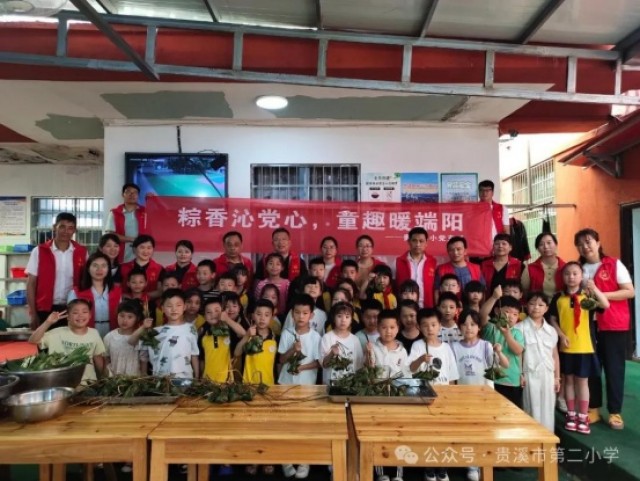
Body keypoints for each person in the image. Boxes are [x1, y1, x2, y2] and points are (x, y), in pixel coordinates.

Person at [574, 228, 635, 430]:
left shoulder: (614, 264)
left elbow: (630, 291)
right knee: (592, 367)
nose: (585, 246)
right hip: (587, 325)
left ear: (598, 243)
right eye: (580, 244)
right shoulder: (578, 269)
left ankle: (615, 412)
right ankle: (594, 408)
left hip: (613, 324)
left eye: (588, 241)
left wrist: (600, 295)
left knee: (614, 368)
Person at [549, 261, 609, 435]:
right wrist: (561, 335)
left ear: (582, 276)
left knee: (582, 382)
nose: (571, 277)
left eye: (575, 273)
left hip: (585, 347)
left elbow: (605, 305)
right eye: (567, 274)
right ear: (562, 277)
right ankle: (571, 414)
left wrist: (594, 288)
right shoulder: (558, 298)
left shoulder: (588, 296)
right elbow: (552, 319)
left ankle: (583, 416)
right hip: (566, 348)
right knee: (568, 381)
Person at [451, 308, 505, 481]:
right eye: (464, 324)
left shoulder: (486, 346)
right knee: (468, 432)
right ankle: (472, 465)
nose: (469, 328)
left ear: (479, 327)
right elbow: (452, 375)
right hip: (463, 398)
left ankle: (485, 463)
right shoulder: (454, 347)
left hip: (484, 397)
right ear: (459, 327)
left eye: (473, 324)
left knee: (485, 431)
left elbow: (503, 365)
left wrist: (498, 351)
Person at [408, 308, 459, 481]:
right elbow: (411, 369)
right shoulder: (417, 346)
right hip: (424, 395)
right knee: (427, 432)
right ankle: (429, 467)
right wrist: (420, 359)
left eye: (433, 325)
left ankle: (442, 468)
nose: (430, 329)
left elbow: (452, 376)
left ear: (439, 326)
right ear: (419, 327)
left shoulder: (446, 348)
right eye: (425, 325)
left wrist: (451, 397)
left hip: (444, 397)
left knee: (444, 433)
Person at [278, 294, 321, 480]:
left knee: (305, 426)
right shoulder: (287, 333)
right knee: (286, 425)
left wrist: (301, 367)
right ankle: (286, 460)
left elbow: (318, 363)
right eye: (297, 312)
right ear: (292, 314)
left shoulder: (316, 336)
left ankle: (304, 461)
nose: (301, 316)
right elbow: (281, 359)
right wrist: (292, 350)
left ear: (311, 315)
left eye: (305, 313)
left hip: (307, 386)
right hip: (286, 384)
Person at [366, 309, 409, 481]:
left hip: (397, 399)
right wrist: (368, 355)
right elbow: (369, 372)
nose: (388, 331)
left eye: (392, 327)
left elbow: (405, 376)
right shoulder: (372, 347)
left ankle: (398, 473)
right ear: (378, 328)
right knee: (378, 433)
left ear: (398, 328)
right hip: (377, 397)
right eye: (384, 327)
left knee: (398, 434)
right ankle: (381, 472)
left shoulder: (402, 351)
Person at [26, 212, 88, 329]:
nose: (66, 231)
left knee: (71, 340)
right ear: (54, 227)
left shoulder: (82, 252)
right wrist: (33, 314)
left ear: (74, 230)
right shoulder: (39, 251)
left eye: (70, 228)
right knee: (46, 340)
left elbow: (87, 281)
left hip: (72, 309)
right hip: (45, 309)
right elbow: (31, 284)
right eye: (62, 226)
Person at [29, 299, 105, 383]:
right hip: (60, 383)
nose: (80, 315)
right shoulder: (57, 333)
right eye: (75, 313)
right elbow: (33, 340)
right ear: (68, 317)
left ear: (90, 315)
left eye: (84, 312)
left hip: (88, 383)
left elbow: (98, 358)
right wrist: (48, 322)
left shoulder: (94, 333)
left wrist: (103, 380)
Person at [516, 292, 559, 433]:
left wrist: (557, 377)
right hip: (529, 375)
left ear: (546, 308)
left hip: (548, 375)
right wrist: (520, 374)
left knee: (548, 410)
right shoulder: (519, 328)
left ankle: (547, 441)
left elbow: (554, 355)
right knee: (531, 408)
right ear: (526, 306)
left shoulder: (551, 330)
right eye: (532, 304)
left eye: (541, 305)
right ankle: (532, 442)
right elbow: (518, 354)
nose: (536, 307)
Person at [137, 289, 199, 378]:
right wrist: (143, 374)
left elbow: (194, 354)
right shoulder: (155, 332)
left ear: (184, 307)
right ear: (162, 308)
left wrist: (197, 377)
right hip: (161, 377)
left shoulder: (191, 328)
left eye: (178, 305)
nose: (174, 309)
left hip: (185, 377)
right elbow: (144, 356)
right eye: (169, 306)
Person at [479, 289, 525, 408]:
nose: (511, 317)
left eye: (515, 314)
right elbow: (482, 315)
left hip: (511, 380)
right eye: (507, 312)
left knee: (511, 413)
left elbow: (518, 351)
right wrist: (494, 297)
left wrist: (507, 335)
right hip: (491, 380)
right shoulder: (490, 327)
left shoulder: (517, 333)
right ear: (497, 311)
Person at [68, 252, 122, 338]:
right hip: (85, 335)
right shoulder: (76, 292)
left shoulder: (117, 291)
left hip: (113, 334)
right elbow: (70, 319)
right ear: (88, 268)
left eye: (103, 266)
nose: (99, 269)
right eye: (95, 265)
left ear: (108, 269)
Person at [199, 297, 246, 383]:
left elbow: (243, 333)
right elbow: (201, 359)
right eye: (209, 312)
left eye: (217, 310)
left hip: (227, 382)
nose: (213, 314)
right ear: (204, 316)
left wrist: (227, 319)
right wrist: (201, 377)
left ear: (223, 312)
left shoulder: (228, 330)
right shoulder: (203, 335)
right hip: (208, 381)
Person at [235, 299, 278, 386]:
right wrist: (247, 336)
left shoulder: (275, 339)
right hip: (248, 385)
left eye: (266, 315)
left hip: (269, 385)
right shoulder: (249, 335)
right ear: (253, 316)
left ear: (272, 317)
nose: (262, 318)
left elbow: (277, 364)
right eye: (259, 314)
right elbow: (236, 353)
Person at [321, 302, 364, 384]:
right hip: (330, 384)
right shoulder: (327, 337)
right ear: (334, 318)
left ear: (351, 320)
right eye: (339, 316)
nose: (343, 320)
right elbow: (324, 364)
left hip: (350, 384)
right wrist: (332, 354)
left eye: (347, 317)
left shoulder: (355, 340)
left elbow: (359, 365)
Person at [395, 227, 437, 308]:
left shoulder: (433, 262)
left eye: (421, 241)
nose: (418, 244)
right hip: (405, 307)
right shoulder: (399, 262)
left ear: (426, 243)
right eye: (414, 240)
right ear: (409, 242)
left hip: (427, 307)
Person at [105, 182, 147, 263]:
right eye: (128, 192)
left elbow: (162, 215)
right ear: (123, 195)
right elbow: (110, 235)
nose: (132, 194)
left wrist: (152, 200)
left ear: (138, 196)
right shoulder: (115, 213)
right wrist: (133, 239)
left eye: (135, 193)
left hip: (141, 255)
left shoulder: (145, 212)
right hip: (120, 255)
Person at [103, 300, 145, 376]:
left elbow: (143, 361)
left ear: (137, 318)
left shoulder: (140, 337)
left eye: (130, 317)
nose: (125, 320)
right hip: (113, 378)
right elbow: (106, 359)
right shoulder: (109, 337)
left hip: (134, 379)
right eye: (122, 316)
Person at [435, 236, 484, 301]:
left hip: (472, 305)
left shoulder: (476, 268)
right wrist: (438, 306)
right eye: (451, 250)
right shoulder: (441, 269)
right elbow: (436, 291)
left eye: (458, 249)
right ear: (448, 252)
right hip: (450, 305)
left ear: (465, 251)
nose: (455, 253)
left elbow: (482, 289)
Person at [521, 232, 566, 299]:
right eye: (541, 244)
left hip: (561, 304)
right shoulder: (529, 269)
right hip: (537, 304)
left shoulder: (566, 267)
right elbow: (524, 292)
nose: (546, 247)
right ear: (537, 249)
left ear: (556, 244)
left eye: (549, 243)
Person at [119, 235, 164, 300]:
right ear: (134, 249)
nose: (146, 251)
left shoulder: (159, 269)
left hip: (151, 304)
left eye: (149, 248)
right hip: (126, 303)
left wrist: (141, 297)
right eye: (142, 247)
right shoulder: (122, 268)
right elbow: (116, 289)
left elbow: (160, 291)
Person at [478, 179, 510, 254]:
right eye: (481, 190)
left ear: (492, 192)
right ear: (478, 192)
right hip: (479, 247)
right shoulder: (473, 209)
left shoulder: (502, 208)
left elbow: (506, 231)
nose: (484, 193)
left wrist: (506, 247)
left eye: (487, 190)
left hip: (497, 247)